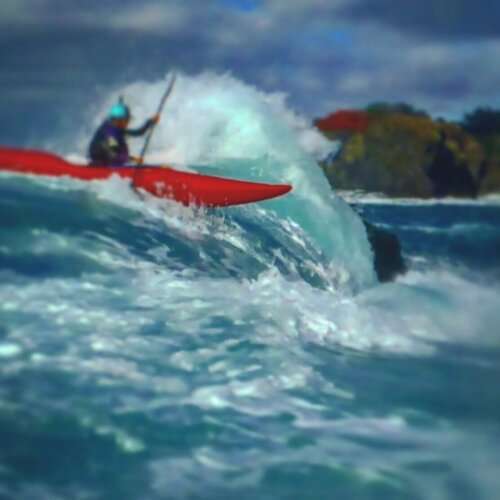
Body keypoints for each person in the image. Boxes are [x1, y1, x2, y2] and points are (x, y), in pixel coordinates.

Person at [88, 98, 159, 166]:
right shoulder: (110, 132)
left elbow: (138, 132)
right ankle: (103, 166)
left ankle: (116, 165)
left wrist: (150, 122)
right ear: (119, 120)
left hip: (109, 157)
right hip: (100, 158)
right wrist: (131, 159)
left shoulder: (117, 128)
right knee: (117, 147)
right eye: (126, 120)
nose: (127, 123)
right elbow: (113, 152)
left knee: (120, 147)